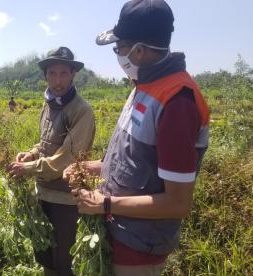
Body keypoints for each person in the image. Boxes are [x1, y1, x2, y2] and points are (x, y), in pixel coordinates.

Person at [63, 0, 210, 275]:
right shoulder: (142, 86)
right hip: (118, 232)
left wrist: (104, 203)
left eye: (119, 49)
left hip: (140, 246)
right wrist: (92, 166)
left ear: (139, 51)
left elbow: (177, 203)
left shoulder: (177, 103)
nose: (117, 56)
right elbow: (134, 161)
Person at [8, 46, 96, 275]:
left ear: (73, 74)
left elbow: (65, 159)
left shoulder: (81, 111)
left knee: (65, 264)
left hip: (66, 201)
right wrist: (32, 154)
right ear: (45, 75)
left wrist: (27, 168)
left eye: (63, 73)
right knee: (46, 259)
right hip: (43, 194)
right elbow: (46, 143)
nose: (58, 81)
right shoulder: (48, 104)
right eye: (53, 74)